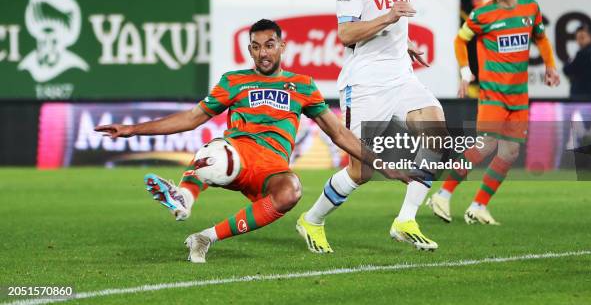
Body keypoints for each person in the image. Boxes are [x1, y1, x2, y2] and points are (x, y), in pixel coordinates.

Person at [96, 19, 407, 263]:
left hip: (270, 170)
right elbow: (191, 119)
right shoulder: (234, 81)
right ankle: (184, 199)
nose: (263, 53)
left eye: (269, 45)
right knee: (216, 156)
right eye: (256, 47)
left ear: (282, 46)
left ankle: (204, 237)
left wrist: (381, 164)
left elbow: (338, 134)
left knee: (291, 192)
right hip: (237, 155)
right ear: (250, 50)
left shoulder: (302, 85)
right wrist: (133, 129)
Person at [296, 0, 452, 254]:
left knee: (437, 135)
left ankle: (406, 219)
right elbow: (346, 33)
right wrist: (387, 18)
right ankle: (312, 219)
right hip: (364, 83)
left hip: (401, 75)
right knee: (360, 171)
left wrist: (404, 42)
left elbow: (395, 21)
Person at [427, 0, 560, 225]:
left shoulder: (530, 8)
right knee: (485, 145)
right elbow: (460, 39)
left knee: (509, 153)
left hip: (518, 97)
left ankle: (478, 206)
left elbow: (541, 37)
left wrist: (550, 66)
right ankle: (442, 194)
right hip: (492, 94)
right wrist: (466, 73)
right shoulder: (481, 15)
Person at [563, 25, 591, 98]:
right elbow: (566, 70)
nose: (580, 40)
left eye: (582, 37)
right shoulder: (582, 54)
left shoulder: (587, 54)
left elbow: (567, 69)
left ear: (590, 37)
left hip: (585, 98)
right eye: (578, 38)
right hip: (581, 96)